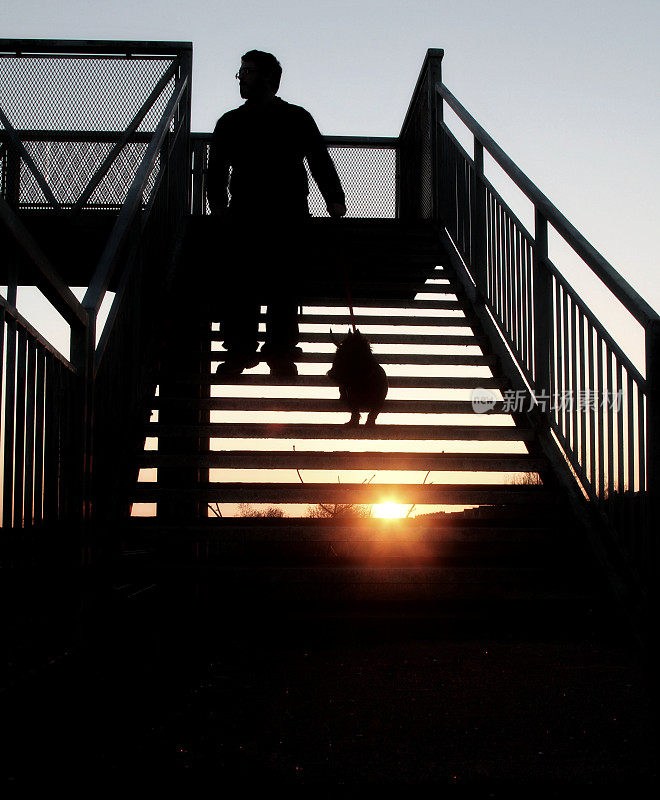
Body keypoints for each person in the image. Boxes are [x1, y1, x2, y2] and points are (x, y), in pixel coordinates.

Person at [207, 50, 347, 377]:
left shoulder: (295, 118)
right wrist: (219, 209)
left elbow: (319, 160)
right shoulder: (231, 122)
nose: (241, 77)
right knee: (245, 286)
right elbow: (214, 173)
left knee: (281, 287)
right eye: (240, 71)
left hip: (286, 216)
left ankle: (276, 352)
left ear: (267, 78)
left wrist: (335, 198)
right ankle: (245, 351)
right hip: (248, 215)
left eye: (247, 71)